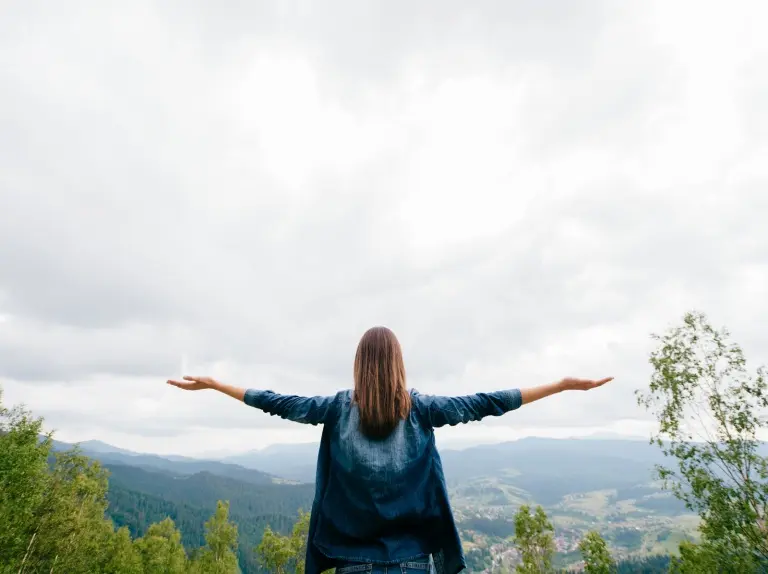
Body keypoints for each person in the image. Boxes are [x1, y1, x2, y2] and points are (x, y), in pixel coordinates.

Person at [168, 326, 613, 574]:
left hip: (352, 565)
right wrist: (559, 385)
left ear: (359, 364)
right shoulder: (422, 410)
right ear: (399, 363)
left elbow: (277, 402)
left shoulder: (336, 411)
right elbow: (488, 403)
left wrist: (217, 384)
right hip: (414, 563)